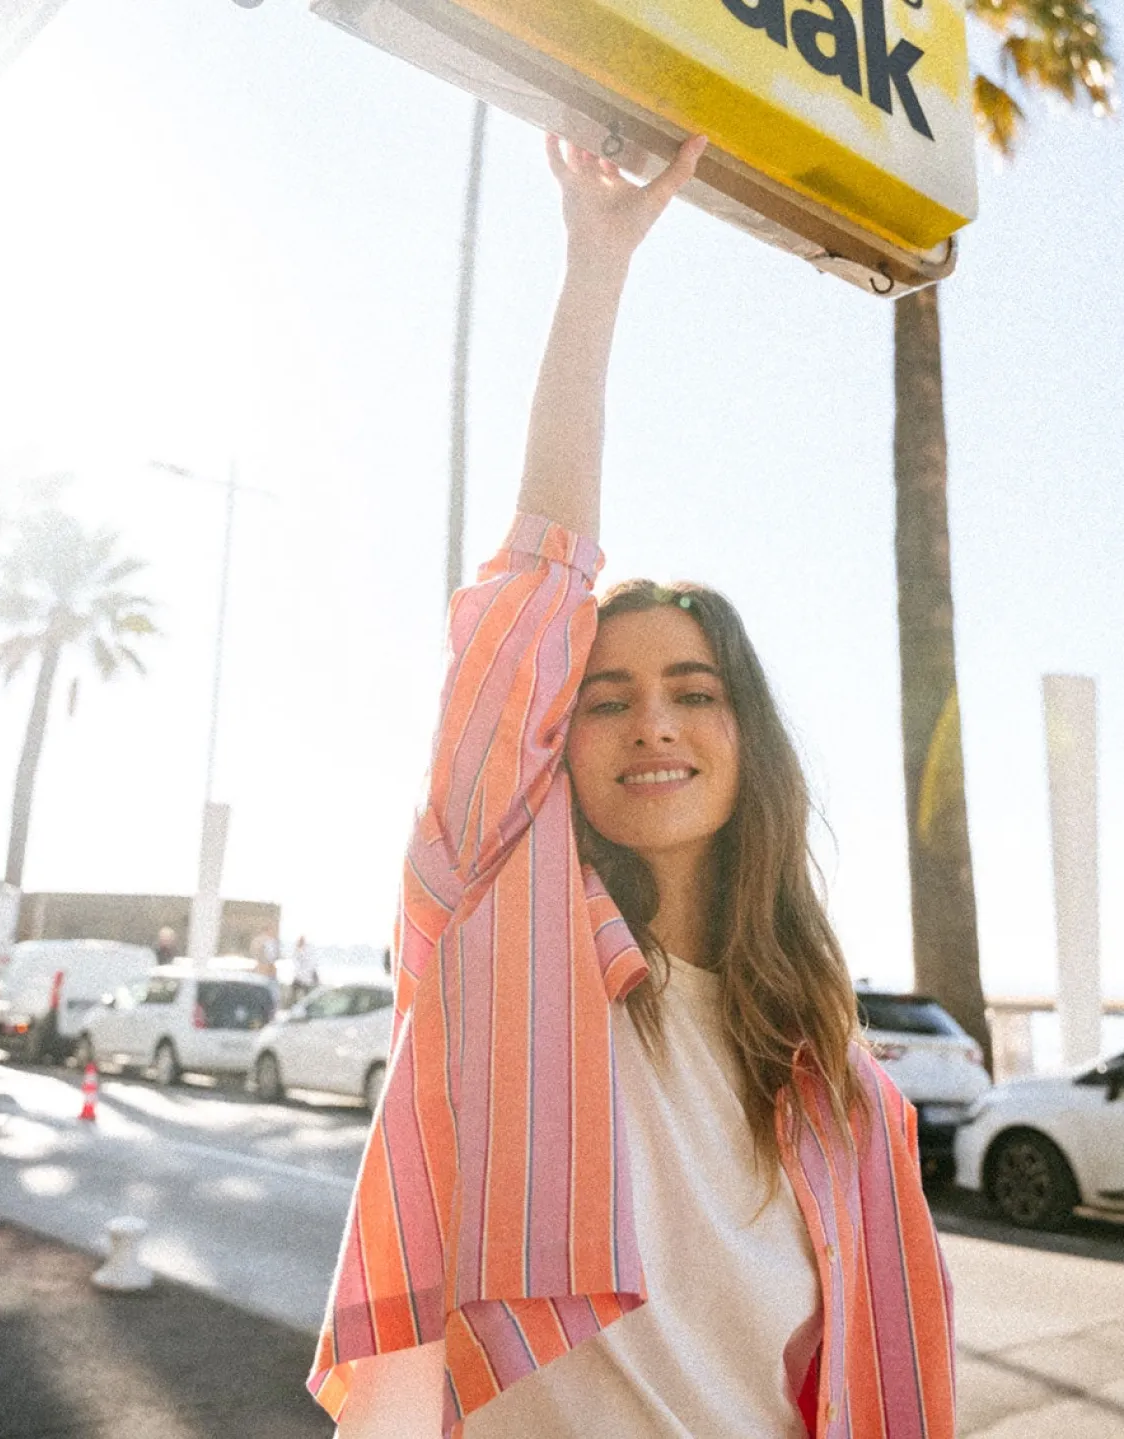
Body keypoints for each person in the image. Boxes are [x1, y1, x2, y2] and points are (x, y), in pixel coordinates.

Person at [310, 135, 954, 1438]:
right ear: (560, 741)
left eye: (693, 689)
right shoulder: (501, 934)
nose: (650, 719)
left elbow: (891, 1393)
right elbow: (531, 599)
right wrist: (595, 266)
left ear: (747, 740)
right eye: (604, 697)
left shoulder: (849, 1099)